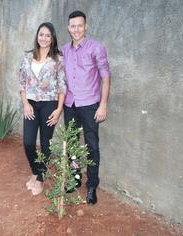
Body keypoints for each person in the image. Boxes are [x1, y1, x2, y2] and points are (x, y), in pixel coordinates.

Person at [61, 10, 111, 204]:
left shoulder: (96, 48)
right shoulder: (64, 50)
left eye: (79, 25)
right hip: (70, 104)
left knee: (92, 146)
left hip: (90, 104)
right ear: (68, 28)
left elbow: (105, 77)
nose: (76, 29)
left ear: (86, 26)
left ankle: (91, 186)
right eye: (72, 26)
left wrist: (103, 105)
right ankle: (74, 179)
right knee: (72, 144)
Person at [18, 22, 66, 196]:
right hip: (31, 104)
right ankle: (35, 170)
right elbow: (21, 83)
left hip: (49, 105)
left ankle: (40, 178)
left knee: (46, 143)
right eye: (41, 34)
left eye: (47, 35)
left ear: (52, 38)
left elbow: (62, 86)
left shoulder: (58, 59)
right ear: (37, 36)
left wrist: (59, 109)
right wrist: (25, 104)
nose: (43, 38)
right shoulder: (27, 57)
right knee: (29, 142)